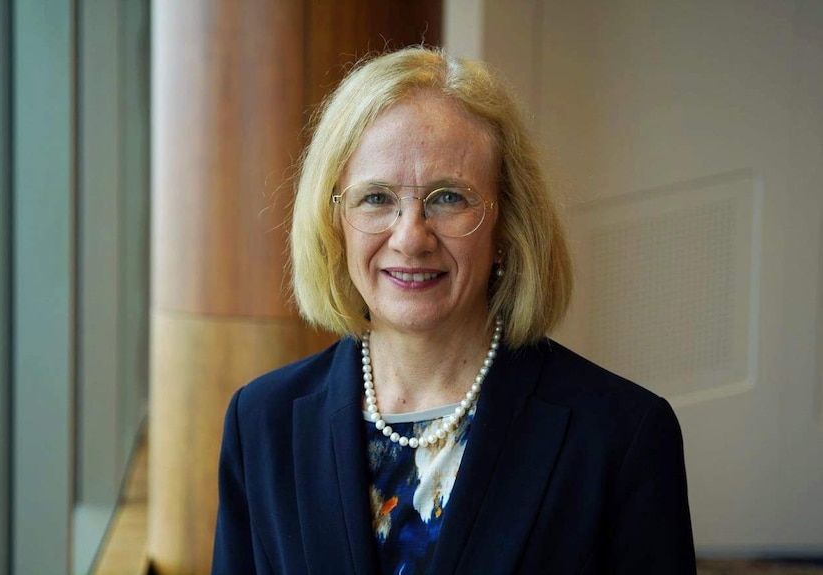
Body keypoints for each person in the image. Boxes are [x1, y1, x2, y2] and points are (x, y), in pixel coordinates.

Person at [212, 46, 696, 574]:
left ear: (507, 225)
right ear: (335, 224)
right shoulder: (260, 423)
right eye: (376, 197)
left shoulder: (620, 435)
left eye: (447, 197)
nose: (410, 237)